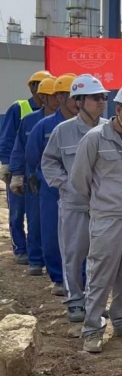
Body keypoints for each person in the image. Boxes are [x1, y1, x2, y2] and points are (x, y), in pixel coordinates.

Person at [70, 82, 122, 353]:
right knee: (100, 274)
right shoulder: (95, 139)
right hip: (108, 218)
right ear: (119, 110)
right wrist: (103, 203)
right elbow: (79, 180)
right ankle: (92, 328)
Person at [41, 74, 108, 323]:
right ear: (78, 101)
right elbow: (49, 163)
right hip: (74, 206)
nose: (101, 102)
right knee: (73, 255)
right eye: (95, 97)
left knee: (100, 257)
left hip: (103, 207)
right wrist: (68, 185)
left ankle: (94, 301)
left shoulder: (110, 130)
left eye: (103, 97)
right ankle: (75, 302)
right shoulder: (63, 131)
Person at [27, 73, 77, 295]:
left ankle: (80, 277)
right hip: (52, 188)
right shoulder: (44, 126)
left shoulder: (87, 126)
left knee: (80, 235)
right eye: (72, 96)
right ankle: (58, 277)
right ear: (60, 97)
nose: (77, 101)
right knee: (51, 232)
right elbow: (33, 156)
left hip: (80, 188)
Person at [0, 70, 52, 264]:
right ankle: (20, 249)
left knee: (36, 214)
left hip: (37, 172)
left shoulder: (55, 113)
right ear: (32, 88)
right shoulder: (19, 108)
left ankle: (35, 249)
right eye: (38, 85)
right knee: (16, 212)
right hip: (17, 167)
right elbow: (8, 138)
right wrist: (7, 165)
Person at [9, 77, 58, 276]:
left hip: (60, 179)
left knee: (58, 224)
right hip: (35, 178)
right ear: (43, 98)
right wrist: (16, 174)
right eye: (53, 96)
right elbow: (20, 149)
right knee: (35, 220)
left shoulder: (67, 122)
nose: (58, 99)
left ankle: (57, 262)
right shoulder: (29, 121)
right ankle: (36, 260)